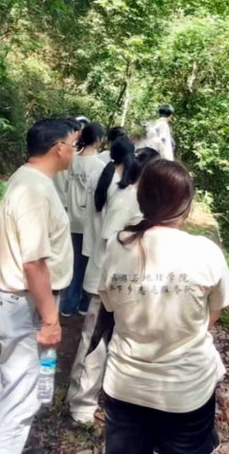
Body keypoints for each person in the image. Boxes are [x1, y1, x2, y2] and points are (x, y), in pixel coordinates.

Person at [98, 159, 229, 454]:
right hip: (186, 389)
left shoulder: (117, 246)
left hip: (125, 385)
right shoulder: (205, 251)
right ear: (186, 205)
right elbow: (213, 313)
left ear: (141, 197)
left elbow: (111, 306)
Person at [0, 119, 76, 454]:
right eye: (73, 145)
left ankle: (11, 446)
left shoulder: (29, 179)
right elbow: (34, 262)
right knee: (20, 392)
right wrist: (51, 319)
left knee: (14, 383)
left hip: (23, 302)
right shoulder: (34, 191)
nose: (74, 152)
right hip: (26, 304)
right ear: (58, 148)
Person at [66, 138, 140, 424]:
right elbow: (112, 238)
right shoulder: (126, 195)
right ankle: (80, 403)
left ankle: (82, 393)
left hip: (99, 268)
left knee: (94, 338)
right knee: (94, 341)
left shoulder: (103, 173)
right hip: (105, 277)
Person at [63, 122, 106, 317]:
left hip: (72, 217)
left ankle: (69, 303)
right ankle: (79, 304)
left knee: (73, 263)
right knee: (86, 264)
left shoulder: (72, 160)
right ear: (98, 140)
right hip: (88, 222)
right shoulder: (99, 166)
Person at [53, 117, 83, 211]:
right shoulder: (72, 151)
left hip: (56, 197)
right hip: (64, 201)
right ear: (74, 132)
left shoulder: (53, 145)